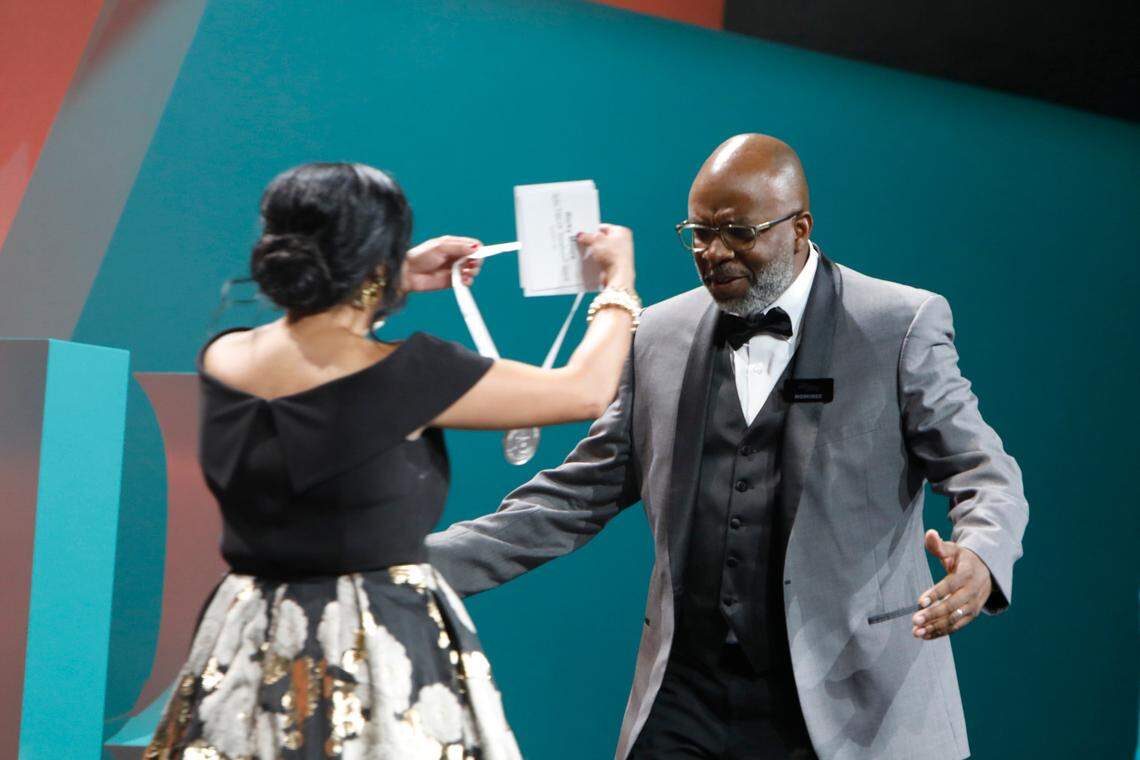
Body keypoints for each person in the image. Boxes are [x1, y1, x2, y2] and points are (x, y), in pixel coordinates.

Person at [427, 134, 1029, 760]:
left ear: (800, 228)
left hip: (849, 700)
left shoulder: (898, 324)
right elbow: (574, 494)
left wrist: (983, 558)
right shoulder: (658, 332)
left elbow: (985, 473)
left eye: (737, 232)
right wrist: (412, 566)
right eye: (698, 233)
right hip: (687, 694)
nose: (713, 253)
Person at [144, 161, 641, 758]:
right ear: (375, 257)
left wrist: (388, 276)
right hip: (368, 642)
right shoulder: (411, 375)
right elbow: (583, 391)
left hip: (247, 640)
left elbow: (322, 356)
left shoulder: (224, 357)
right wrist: (619, 285)